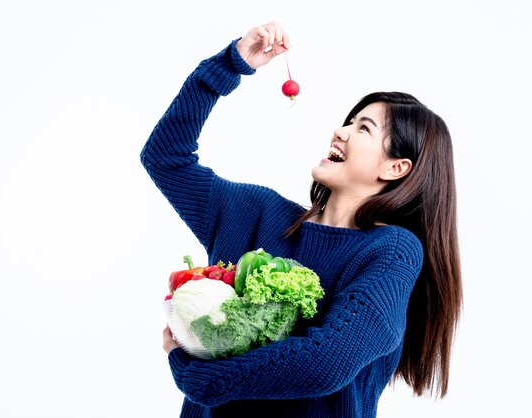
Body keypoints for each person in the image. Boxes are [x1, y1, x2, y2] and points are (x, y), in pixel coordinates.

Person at [140, 21, 462, 418]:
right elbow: (165, 158)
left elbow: (327, 359)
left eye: (362, 128)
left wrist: (198, 377)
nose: (340, 132)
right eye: (349, 121)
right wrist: (230, 63)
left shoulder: (391, 252)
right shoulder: (256, 213)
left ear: (396, 168)